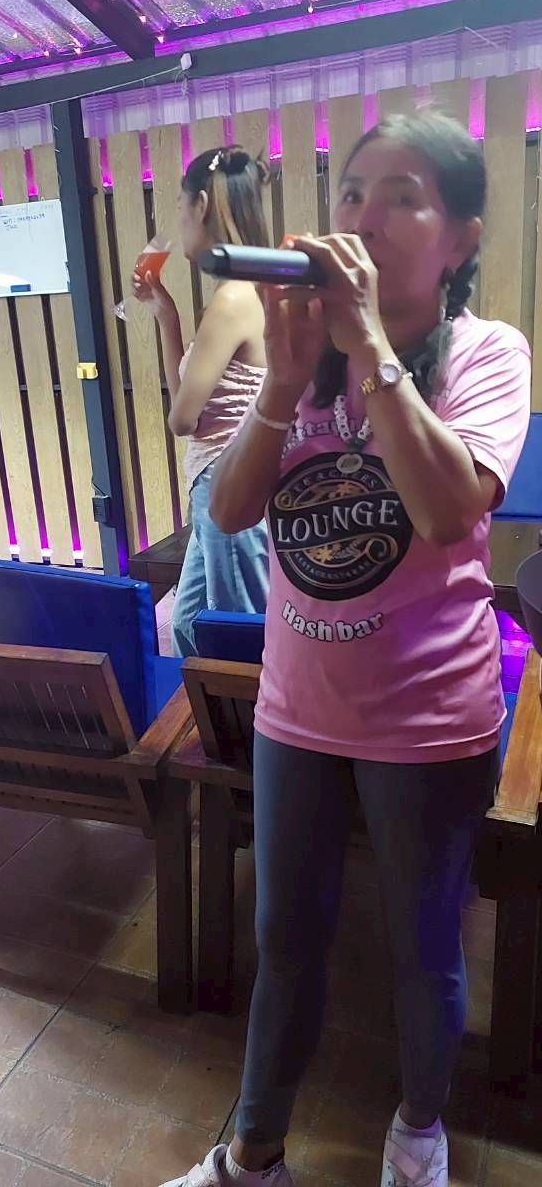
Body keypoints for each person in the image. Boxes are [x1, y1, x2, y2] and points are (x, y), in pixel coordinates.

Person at [161, 112, 531, 1187]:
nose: (363, 217)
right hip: (297, 708)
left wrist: (370, 347)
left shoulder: (488, 353)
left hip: (430, 717)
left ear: (460, 239)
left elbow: (450, 511)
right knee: (286, 939)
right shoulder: (304, 356)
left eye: (403, 197)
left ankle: (418, 1133)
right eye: (353, 192)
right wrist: (284, 382)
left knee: (423, 950)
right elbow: (229, 511)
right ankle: (252, 1154)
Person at [132, 144, 269, 657]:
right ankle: (208, 706)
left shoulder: (232, 298)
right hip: (221, 476)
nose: (178, 220)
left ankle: (248, 711)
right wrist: (166, 314)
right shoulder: (251, 289)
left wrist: (181, 411)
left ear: (202, 205)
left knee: (238, 634)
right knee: (189, 623)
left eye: (179, 205)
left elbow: (183, 419)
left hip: (225, 478)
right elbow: (186, 405)